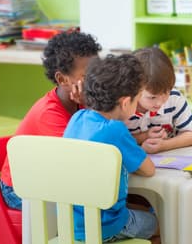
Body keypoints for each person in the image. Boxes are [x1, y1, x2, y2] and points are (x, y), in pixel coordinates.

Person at [0, 30, 102, 210]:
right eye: (87, 76)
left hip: (50, 177)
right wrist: (91, 107)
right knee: (93, 206)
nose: (96, 81)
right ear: (62, 79)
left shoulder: (81, 102)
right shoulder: (49, 114)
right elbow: (86, 157)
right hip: (19, 189)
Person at [63, 54, 160, 243]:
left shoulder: (79, 117)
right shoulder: (115, 129)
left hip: (71, 222)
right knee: (160, 223)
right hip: (105, 226)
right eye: (137, 99)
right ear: (125, 103)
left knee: (138, 209)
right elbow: (148, 169)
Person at [125, 47, 192, 154]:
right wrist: (144, 137)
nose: (160, 103)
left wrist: (165, 145)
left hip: (171, 159)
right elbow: (114, 141)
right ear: (134, 89)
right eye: (152, 97)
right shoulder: (124, 107)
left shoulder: (174, 98)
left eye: (166, 92)